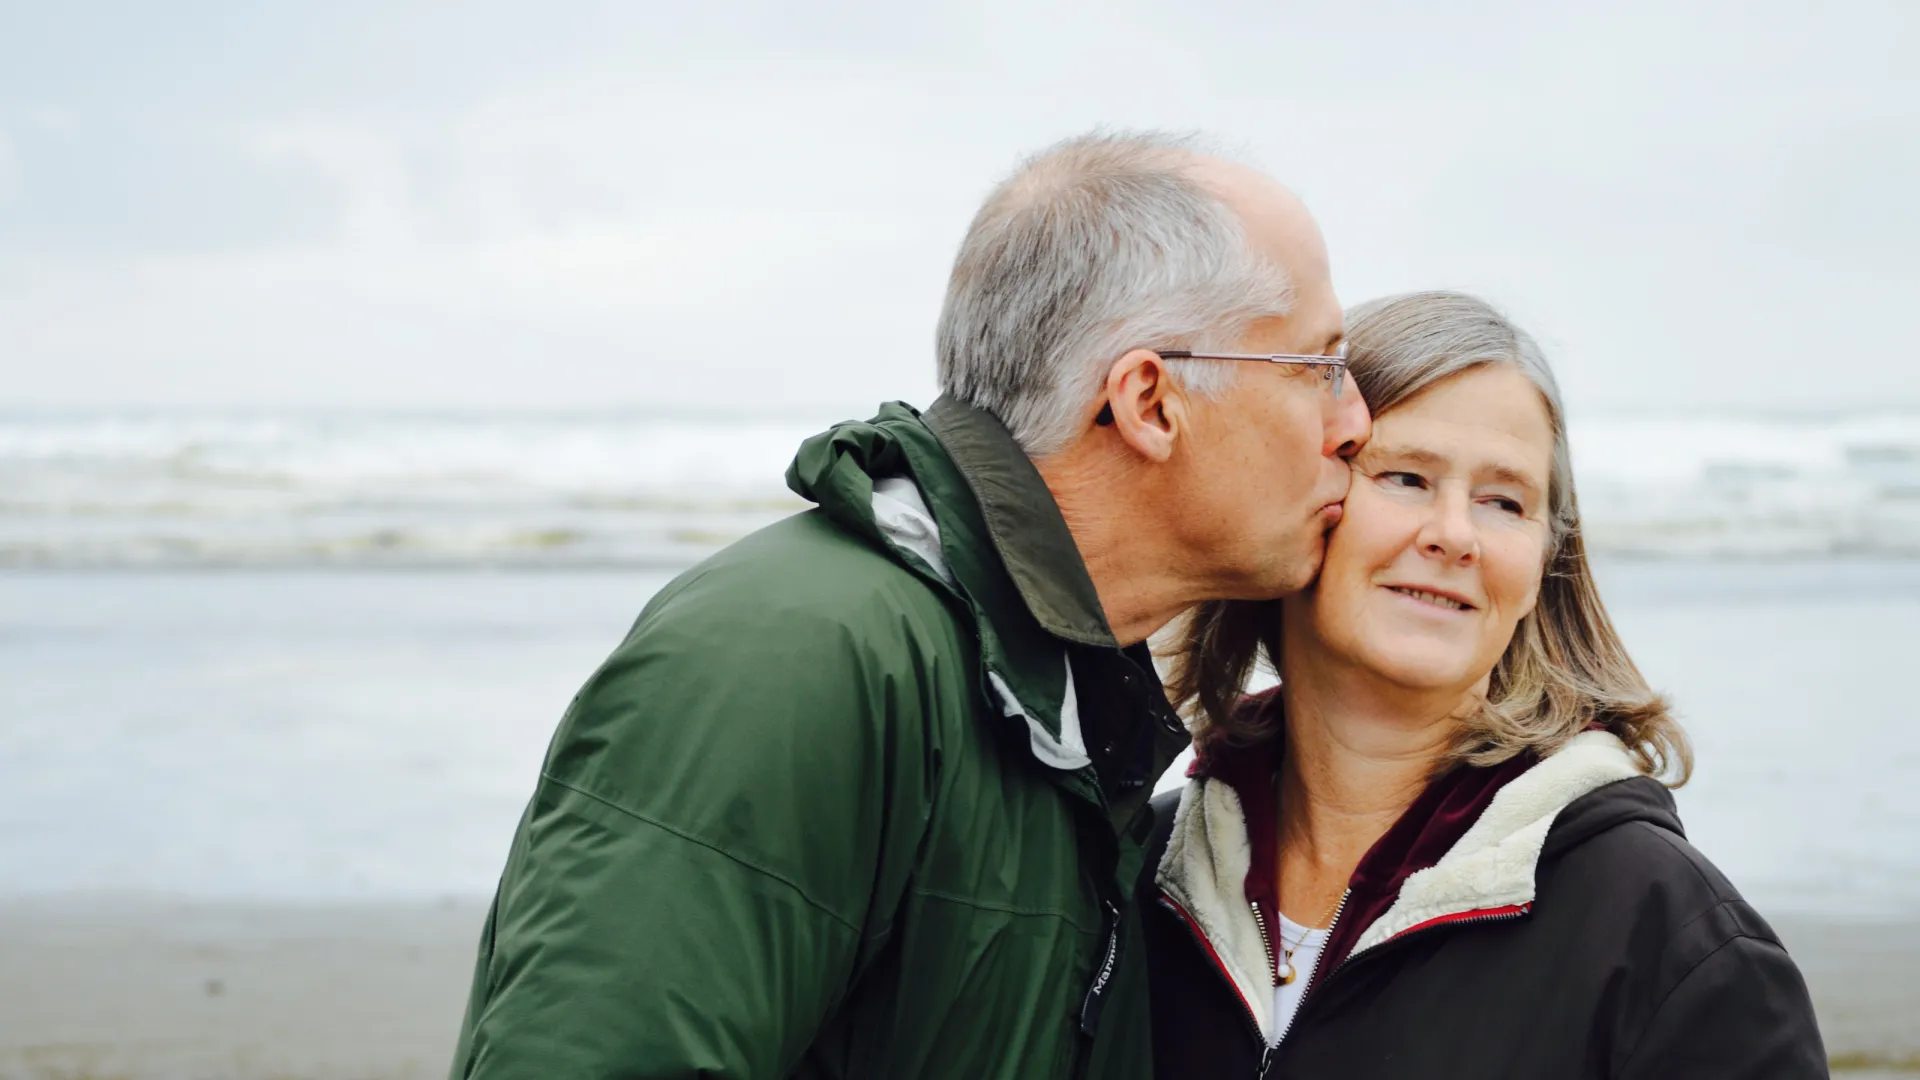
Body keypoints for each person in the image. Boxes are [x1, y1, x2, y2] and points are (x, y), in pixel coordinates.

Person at [446, 131, 1370, 1080]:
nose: (1357, 425)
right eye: (1319, 367)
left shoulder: (1056, 699)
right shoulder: (796, 659)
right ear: (1149, 401)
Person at [1141, 291, 1827, 1078]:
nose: (1455, 535)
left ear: (1541, 566)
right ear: (1302, 500)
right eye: (1404, 478)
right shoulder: (1137, 876)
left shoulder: (1672, 941)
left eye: (1504, 501)